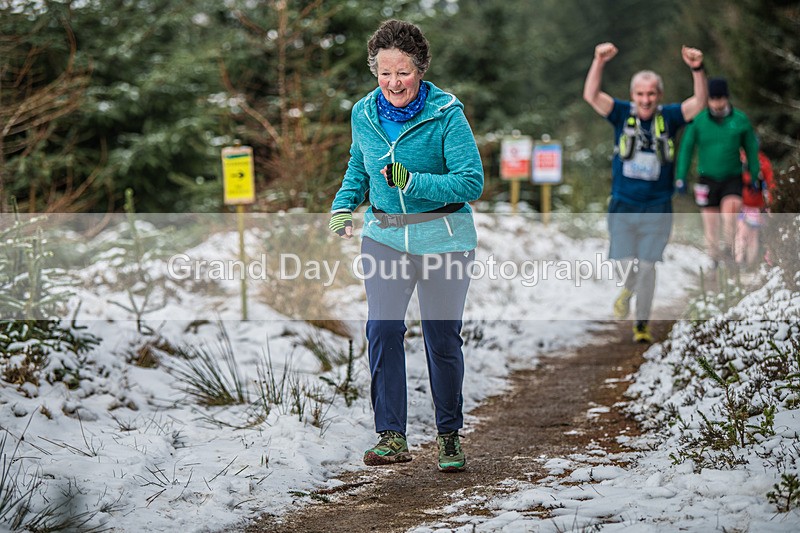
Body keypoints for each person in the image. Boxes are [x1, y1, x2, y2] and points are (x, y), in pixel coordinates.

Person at [328, 20, 483, 472]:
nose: (394, 83)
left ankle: (449, 435)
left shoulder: (446, 114)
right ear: (375, 72)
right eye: (384, 73)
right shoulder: (364, 113)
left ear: (421, 69)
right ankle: (391, 435)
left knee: (440, 337)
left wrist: (415, 181)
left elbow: (470, 181)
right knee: (382, 329)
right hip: (385, 235)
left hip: (444, 236)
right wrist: (343, 205)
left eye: (404, 72)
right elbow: (359, 165)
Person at [583, 42, 707, 343]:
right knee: (626, 266)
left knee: (649, 267)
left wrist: (697, 69)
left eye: (651, 94)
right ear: (633, 95)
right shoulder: (621, 113)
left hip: (658, 206)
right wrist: (599, 61)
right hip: (624, 205)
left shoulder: (672, 116)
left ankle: (641, 324)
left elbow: (699, 103)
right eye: (640, 94)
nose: (645, 99)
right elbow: (591, 96)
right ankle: (627, 290)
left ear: (659, 95)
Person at [675, 77, 761, 271]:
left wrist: (754, 175)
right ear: (708, 100)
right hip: (707, 178)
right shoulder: (699, 121)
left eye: (720, 98)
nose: (717, 103)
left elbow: (751, 150)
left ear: (726, 98)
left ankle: (730, 251)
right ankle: (713, 259)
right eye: (713, 99)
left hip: (732, 176)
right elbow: (686, 149)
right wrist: (681, 176)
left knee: (730, 212)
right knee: (710, 222)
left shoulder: (739, 120)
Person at [735, 148, 774, 267]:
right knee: (745, 234)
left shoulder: (762, 162)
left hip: (754, 206)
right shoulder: (738, 160)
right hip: (745, 204)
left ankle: (745, 264)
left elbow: (771, 183)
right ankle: (742, 263)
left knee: (748, 235)